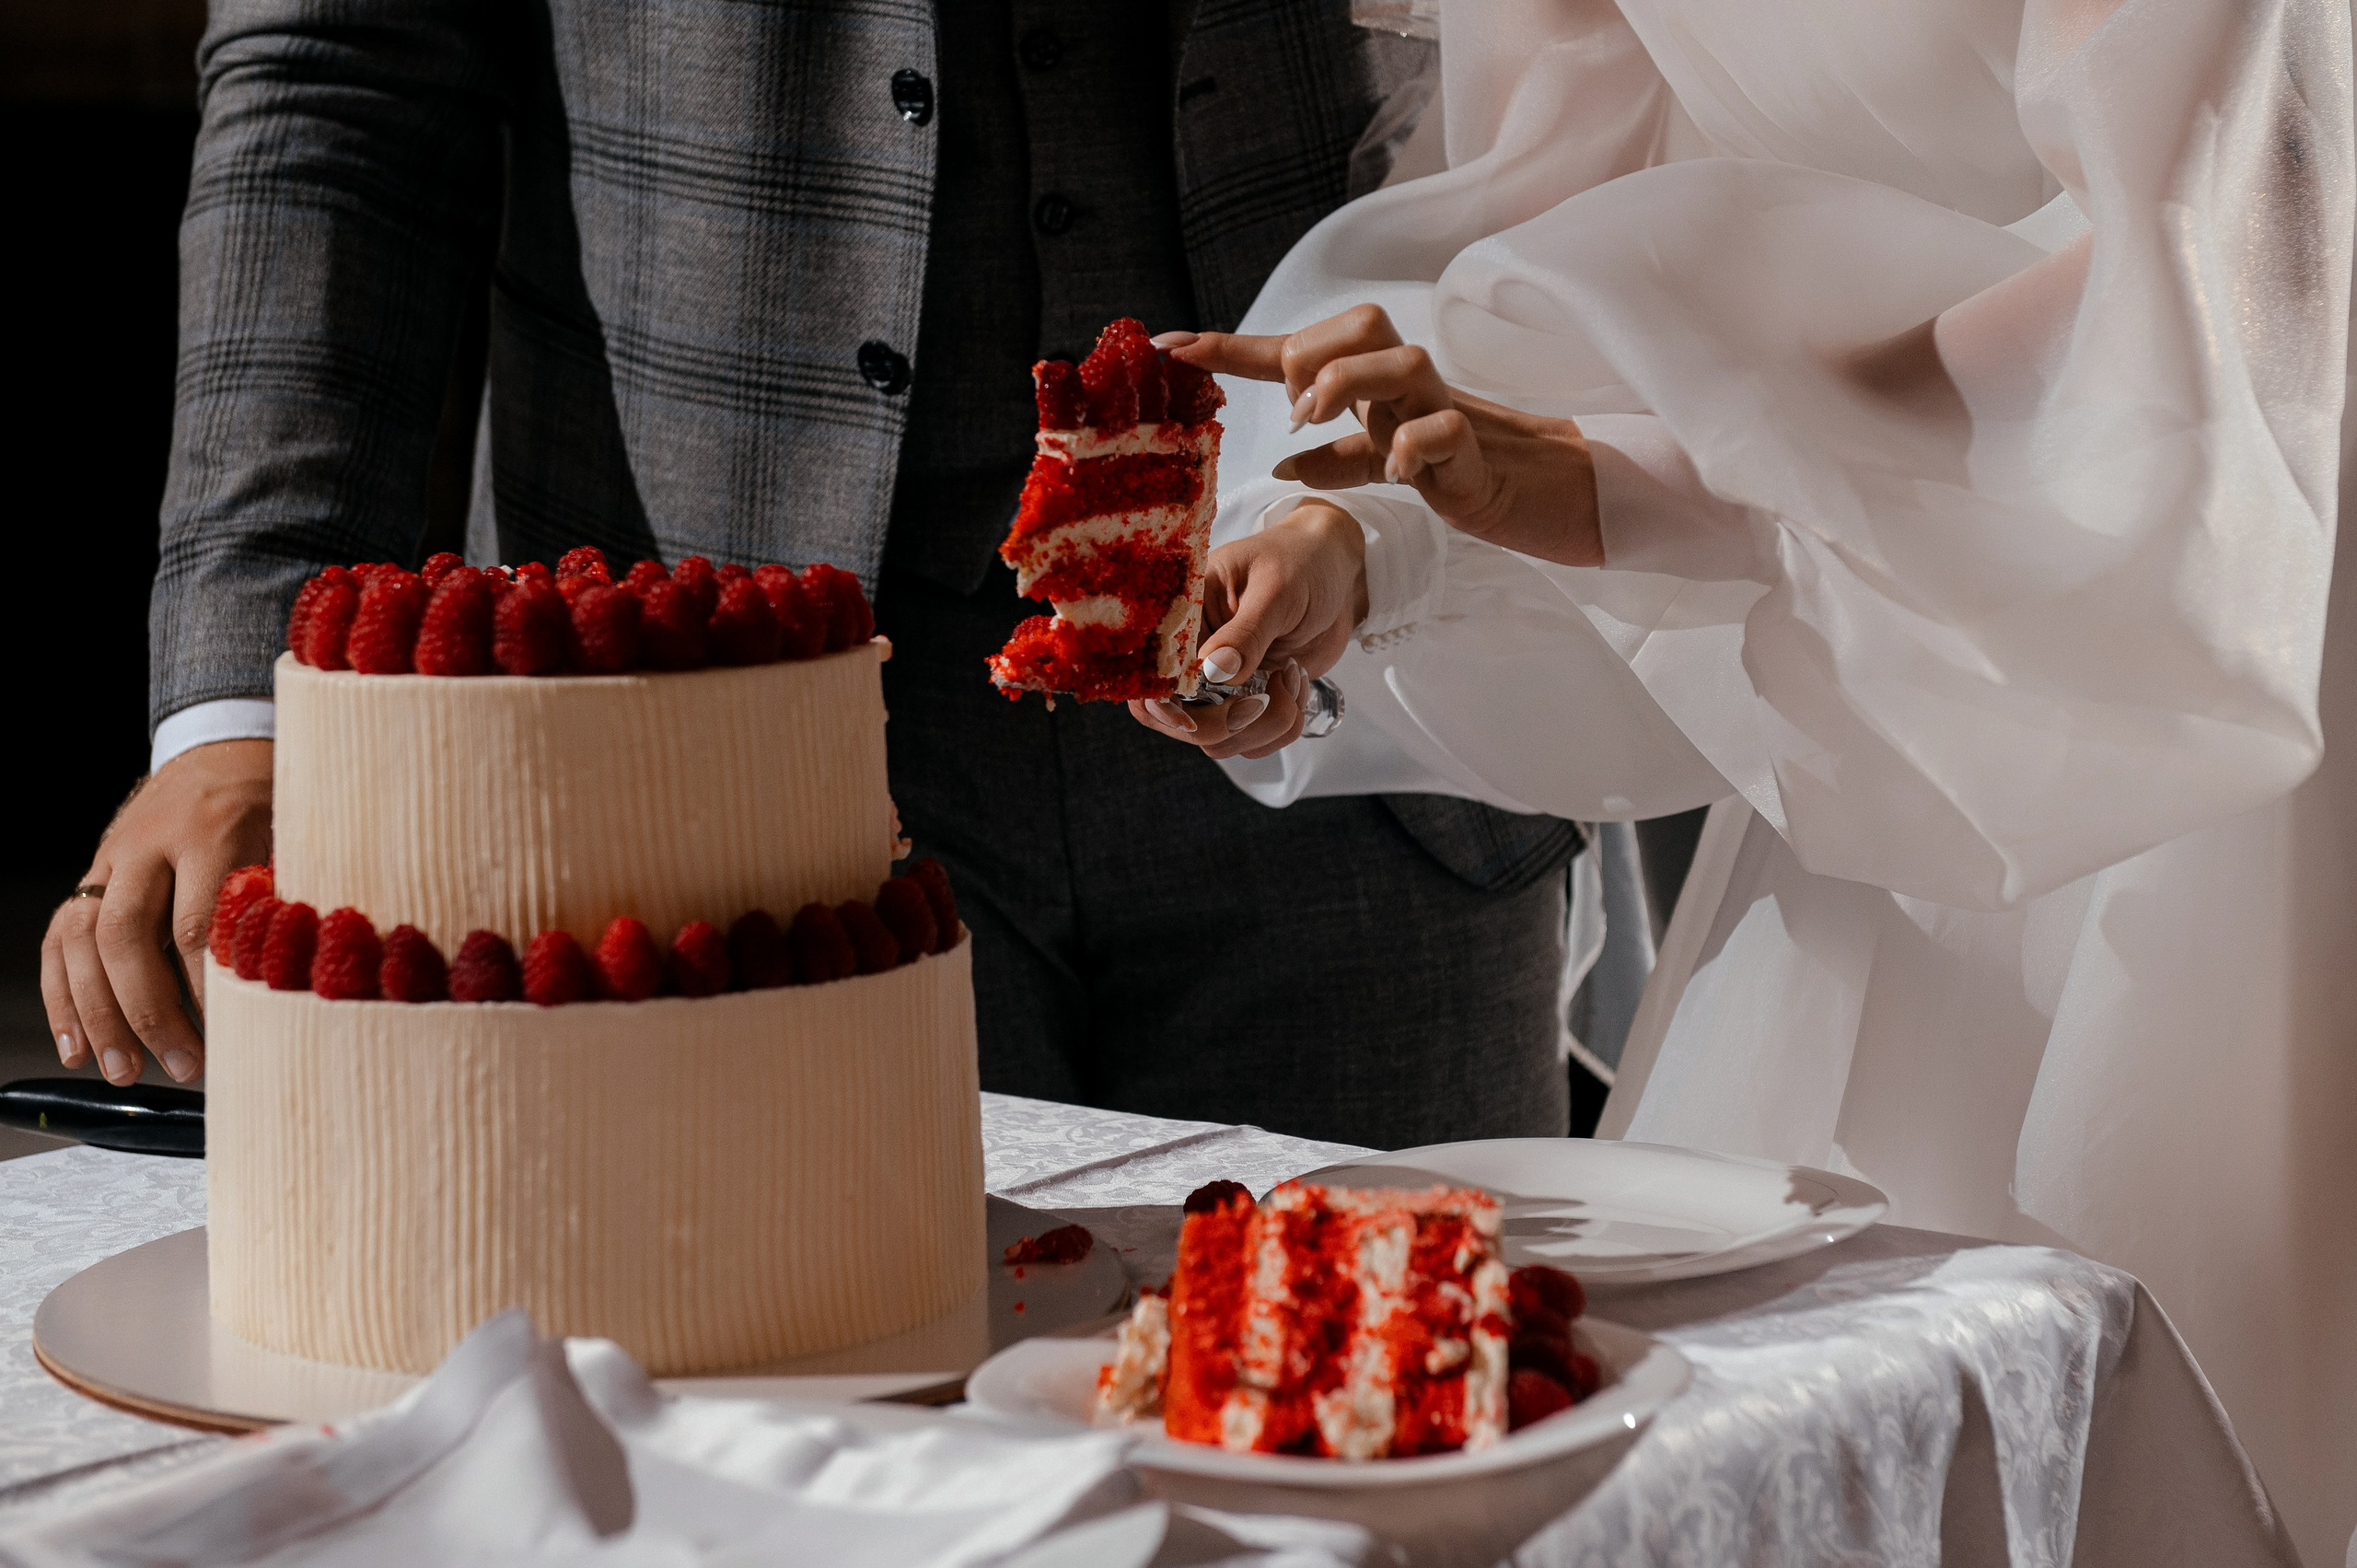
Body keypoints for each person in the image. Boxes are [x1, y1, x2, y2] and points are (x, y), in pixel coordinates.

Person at [1131, 0, 2357, 1560]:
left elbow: (2241, 259)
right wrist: (1384, 533)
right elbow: (1560, 213)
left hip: (2242, 617)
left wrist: (1644, 475)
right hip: (1890, 716)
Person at [39, 2, 1596, 1153]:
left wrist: (1449, 504)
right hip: (699, 743)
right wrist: (241, 706)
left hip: (1371, 697)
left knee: (1419, 1454)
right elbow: (343, 73)